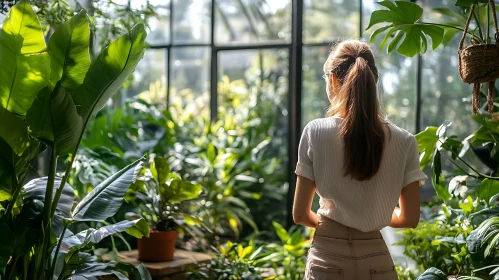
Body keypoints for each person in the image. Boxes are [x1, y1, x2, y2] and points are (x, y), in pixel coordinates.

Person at [293, 39, 427, 280]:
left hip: (327, 259)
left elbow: (300, 214)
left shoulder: (315, 131)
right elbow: (409, 218)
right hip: (377, 263)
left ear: (333, 79)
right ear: (373, 81)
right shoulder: (405, 141)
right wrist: (371, 216)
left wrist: (335, 222)